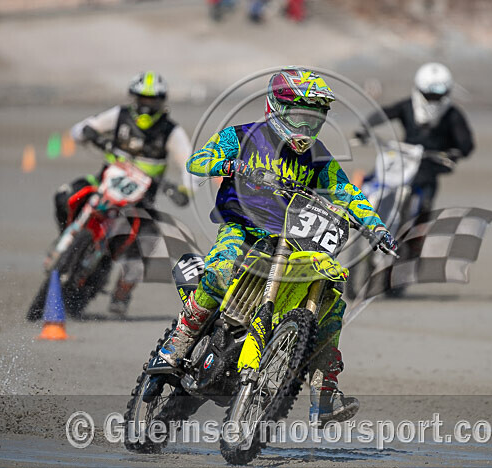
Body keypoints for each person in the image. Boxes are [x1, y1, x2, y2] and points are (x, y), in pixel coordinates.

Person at [148, 68, 397, 426]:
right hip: (242, 228)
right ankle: (180, 341)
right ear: (276, 108)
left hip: (293, 239)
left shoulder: (319, 157)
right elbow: (196, 161)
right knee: (221, 268)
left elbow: (346, 192)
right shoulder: (242, 135)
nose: (306, 127)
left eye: (314, 119)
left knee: (332, 299)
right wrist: (230, 164)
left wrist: (375, 226)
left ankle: (324, 392)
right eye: (299, 117)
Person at [54, 71, 192, 316]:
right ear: (134, 98)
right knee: (65, 196)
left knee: (148, 242)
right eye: (142, 99)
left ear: (161, 102)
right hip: (102, 184)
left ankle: (121, 295)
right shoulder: (119, 115)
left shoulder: (171, 131)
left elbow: (189, 164)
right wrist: (88, 133)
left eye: (152, 101)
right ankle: (68, 240)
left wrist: (186, 189)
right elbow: (81, 129)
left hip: (140, 202)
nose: (146, 106)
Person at [356, 62, 474, 220]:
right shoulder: (408, 106)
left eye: (438, 96)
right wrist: (364, 128)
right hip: (403, 158)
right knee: (375, 178)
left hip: (429, 164)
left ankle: (416, 233)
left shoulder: (453, 115)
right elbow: (385, 113)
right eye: (429, 96)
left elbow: (466, 144)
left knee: (424, 207)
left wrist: (454, 153)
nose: (433, 101)